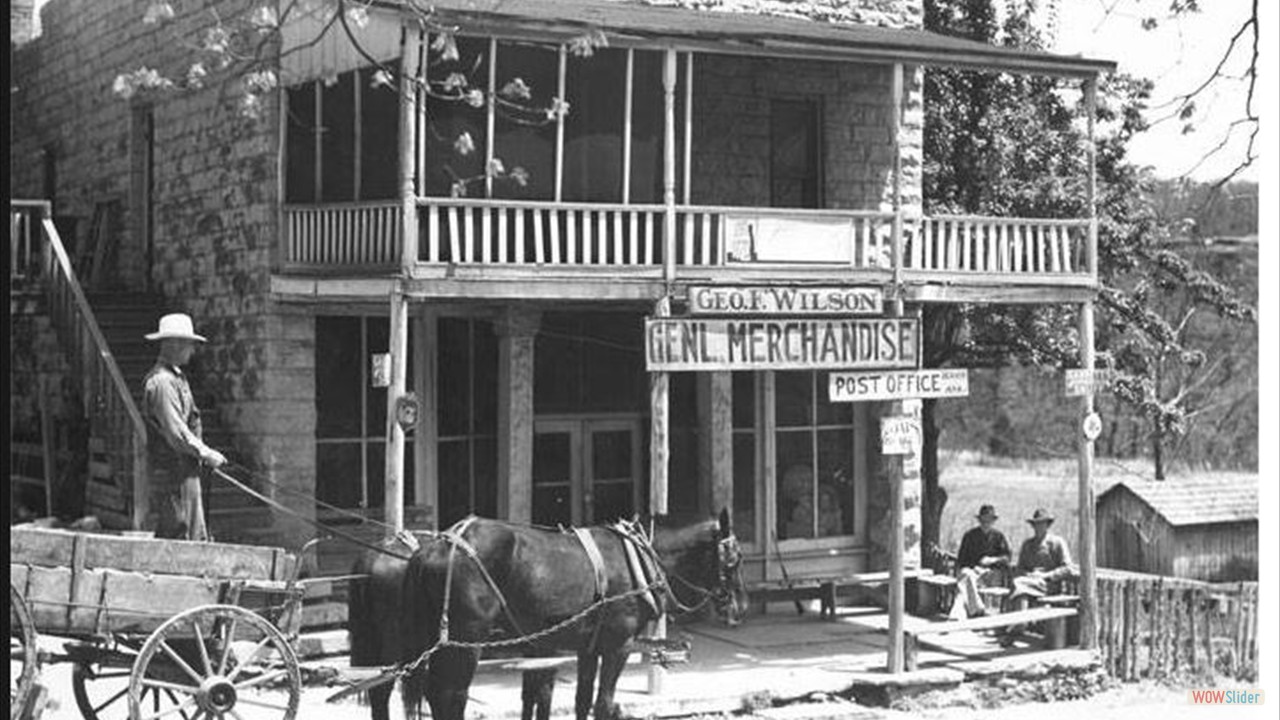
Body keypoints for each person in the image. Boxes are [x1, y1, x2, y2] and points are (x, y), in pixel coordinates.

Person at [141, 313, 226, 541]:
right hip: (173, 472)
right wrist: (206, 453)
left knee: (192, 533)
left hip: (185, 471)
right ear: (174, 344)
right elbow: (176, 431)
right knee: (181, 534)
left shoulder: (177, 378)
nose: (192, 351)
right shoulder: (161, 383)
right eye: (190, 345)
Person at [1001, 508, 1076, 644]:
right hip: (1028, 583)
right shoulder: (1027, 544)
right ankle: (1020, 624)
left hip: (1048, 585)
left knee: (1018, 584)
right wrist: (1030, 575)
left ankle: (1016, 625)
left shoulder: (1057, 543)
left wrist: (1045, 575)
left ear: (1047, 525)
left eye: (1042, 524)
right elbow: (1019, 569)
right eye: (1036, 524)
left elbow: (1068, 568)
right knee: (1019, 586)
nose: (1038, 527)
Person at [948, 504, 1012, 620]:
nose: (986, 522)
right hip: (972, 572)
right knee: (966, 575)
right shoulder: (969, 536)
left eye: (989, 520)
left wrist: (992, 560)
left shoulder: (998, 537)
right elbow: (962, 560)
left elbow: (1007, 558)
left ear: (993, 521)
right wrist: (974, 567)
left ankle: (957, 614)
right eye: (984, 519)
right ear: (980, 520)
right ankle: (977, 609)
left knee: (962, 587)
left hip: (991, 574)